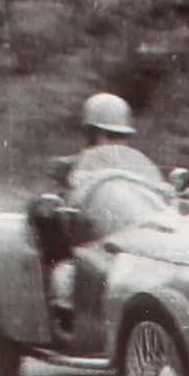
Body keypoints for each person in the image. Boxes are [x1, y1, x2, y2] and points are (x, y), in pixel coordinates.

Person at [39, 92, 138, 329]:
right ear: (91, 136)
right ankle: (67, 317)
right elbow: (48, 197)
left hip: (125, 241)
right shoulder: (66, 166)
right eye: (107, 135)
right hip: (86, 239)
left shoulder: (135, 168)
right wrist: (53, 200)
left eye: (120, 136)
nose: (115, 142)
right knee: (65, 277)